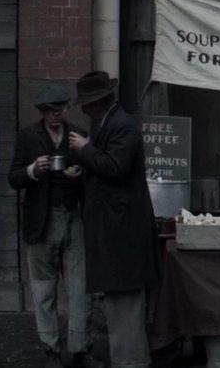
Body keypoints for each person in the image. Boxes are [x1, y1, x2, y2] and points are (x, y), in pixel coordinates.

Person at [67, 71, 159, 367]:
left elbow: (116, 167)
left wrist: (84, 150)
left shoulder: (121, 125)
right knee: (121, 309)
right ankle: (130, 361)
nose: (84, 110)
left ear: (98, 102)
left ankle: (131, 363)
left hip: (122, 236)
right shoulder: (114, 123)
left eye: (86, 104)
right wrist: (85, 170)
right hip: (117, 235)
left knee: (125, 309)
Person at [9, 85, 94, 366]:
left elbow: (93, 177)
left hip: (73, 219)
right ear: (42, 112)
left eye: (61, 108)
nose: (57, 114)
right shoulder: (27, 136)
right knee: (44, 291)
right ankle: (51, 351)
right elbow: (13, 178)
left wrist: (79, 174)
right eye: (51, 110)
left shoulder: (78, 135)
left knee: (80, 290)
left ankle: (80, 350)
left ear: (68, 108)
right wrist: (32, 170)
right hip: (41, 223)